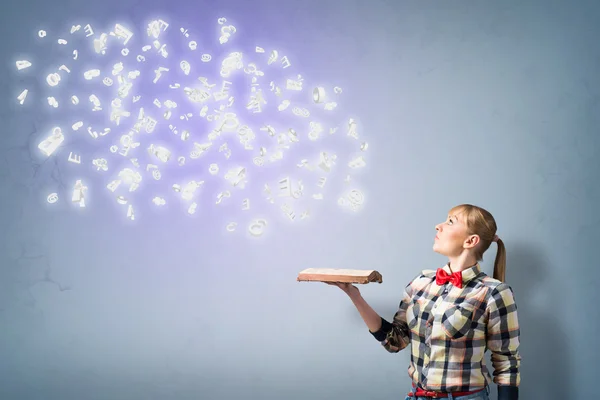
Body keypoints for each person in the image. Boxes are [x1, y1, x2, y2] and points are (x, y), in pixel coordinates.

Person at [327, 204, 520, 400]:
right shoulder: (421, 283)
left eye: (450, 222)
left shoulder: (494, 292)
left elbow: (507, 364)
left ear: (471, 241)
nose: (438, 226)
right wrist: (354, 294)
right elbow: (394, 341)